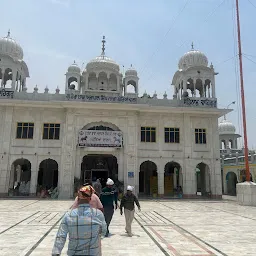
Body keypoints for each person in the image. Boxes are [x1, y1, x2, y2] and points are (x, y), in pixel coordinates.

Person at [52, 185, 107, 256]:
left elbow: (61, 236)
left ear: (77, 199)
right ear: (90, 199)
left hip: (74, 253)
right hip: (93, 253)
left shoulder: (68, 215)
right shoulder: (98, 214)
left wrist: (56, 252)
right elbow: (104, 231)